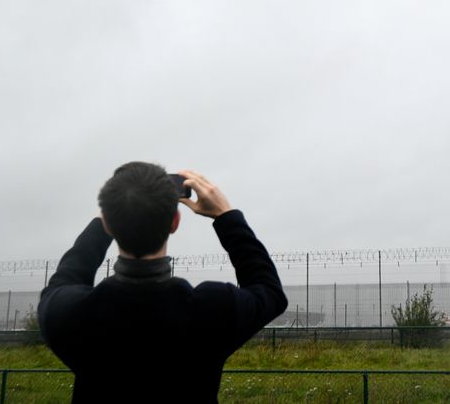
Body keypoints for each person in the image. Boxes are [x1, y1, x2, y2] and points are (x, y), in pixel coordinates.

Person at [38, 162, 288, 403]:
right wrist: (226, 215)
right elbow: (269, 291)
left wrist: (107, 220)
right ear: (174, 222)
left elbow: (67, 277)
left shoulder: (69, 315)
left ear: (108, 224)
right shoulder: (213, 309)